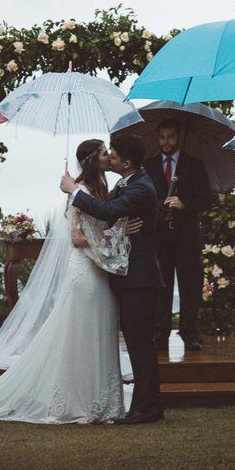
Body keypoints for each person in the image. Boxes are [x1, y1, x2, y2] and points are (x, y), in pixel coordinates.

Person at [0, 139, 132, 423]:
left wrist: (117, 231)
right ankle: (78, 401)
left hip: (101, 273)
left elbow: (104, 223)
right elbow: (76, 238)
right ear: (92, 160)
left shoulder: (102, 191)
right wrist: (111, 241)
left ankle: (103, 401)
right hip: (86, 273)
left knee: (100, 330)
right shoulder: (78, 192)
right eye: (104, 153)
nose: (109, 156)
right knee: (81, 335)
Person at [62, 133, 165, 424]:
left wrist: (74, 191)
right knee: (136, 342)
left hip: (139, 277)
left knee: (141, 343)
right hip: (129, 275)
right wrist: (120, 228)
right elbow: (111, 218)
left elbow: (107, 210)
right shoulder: (126, 183)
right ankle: (147, 404)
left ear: (127, 162)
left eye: (114, 155)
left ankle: (148, 407)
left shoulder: (140, 186)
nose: (111, 160)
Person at [143, 119, 213, 352]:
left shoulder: (194, 164)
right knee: (161, 288)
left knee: (190, 288)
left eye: (170, 137)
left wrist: (185, 204)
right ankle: (159, 335)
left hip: (187, 237)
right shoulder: (149, 166)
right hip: (159, 237)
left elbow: (207, 198)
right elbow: (142, 198)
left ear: (179, 137)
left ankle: (190, 334)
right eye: (162, 137)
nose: (166, 142)